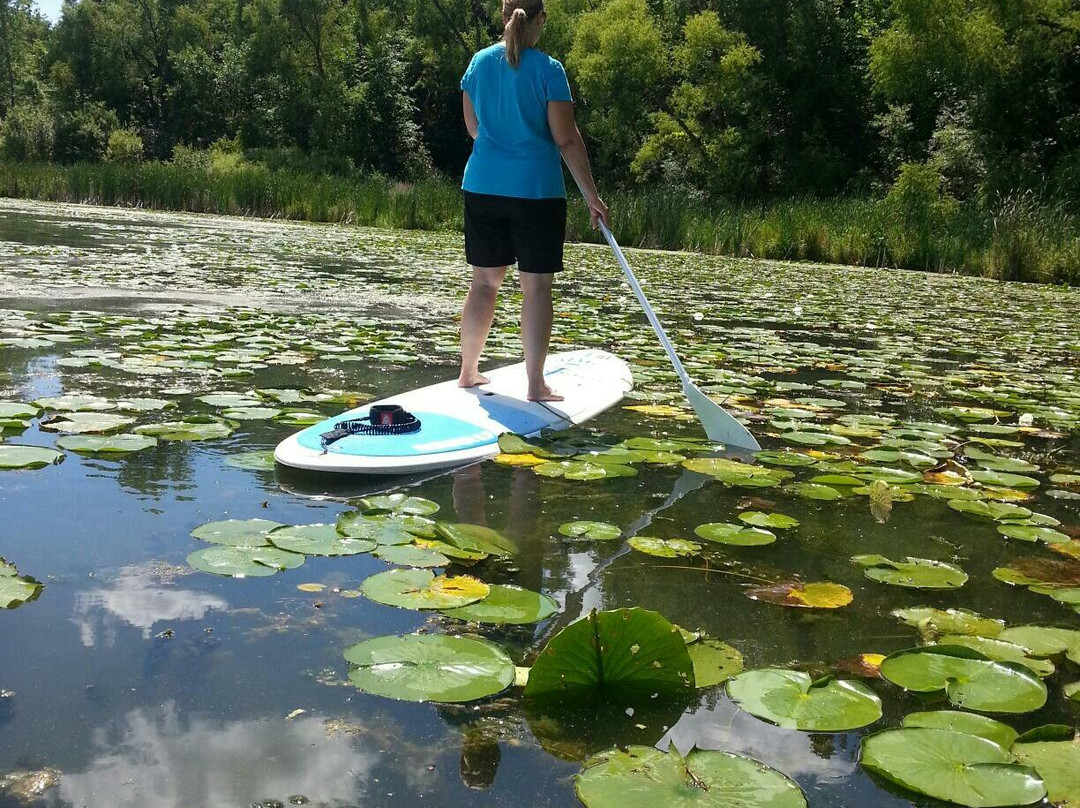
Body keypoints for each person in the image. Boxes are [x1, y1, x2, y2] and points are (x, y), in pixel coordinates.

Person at [457, 0, 609, 402]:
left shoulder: (477, 63)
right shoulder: (549, 70)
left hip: (483, 187)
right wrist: (592, 197)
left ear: (504, 16)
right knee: (537, 287)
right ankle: (535, 385)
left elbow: (473, 129)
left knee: (484, 283)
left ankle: (468, 373)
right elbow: (565, 138)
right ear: (539, 19)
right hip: (536, 193)